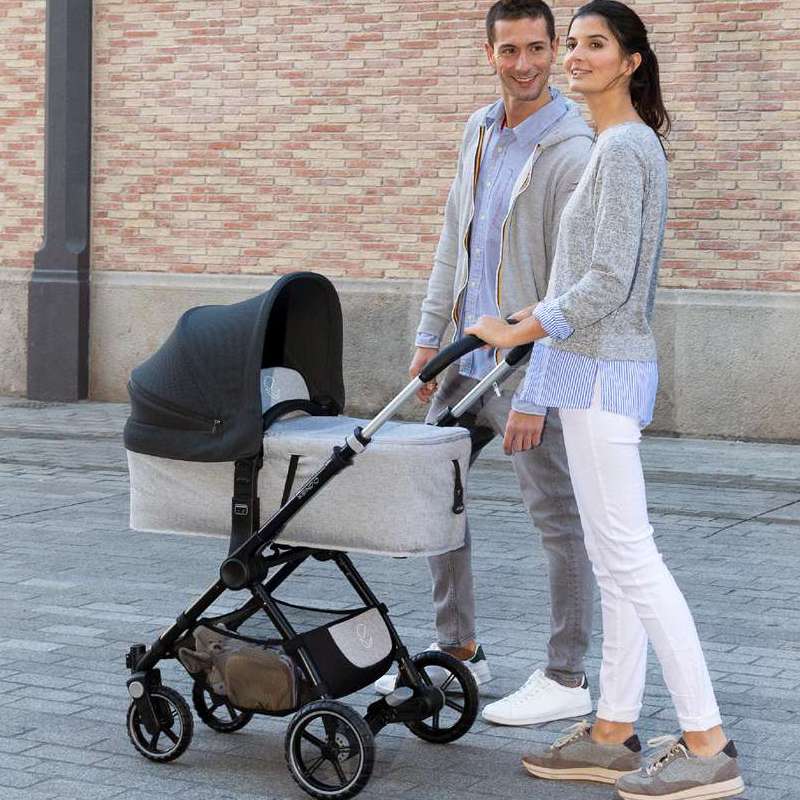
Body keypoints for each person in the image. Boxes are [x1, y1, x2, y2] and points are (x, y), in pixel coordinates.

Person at [465, 2, 745, 797]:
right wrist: (537, 317)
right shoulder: (615, 143)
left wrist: (518, 328)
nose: (577, 56)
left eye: (596, 44)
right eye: (576, 44)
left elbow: (608, 282)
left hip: (601, 371)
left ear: (631, 61)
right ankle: (613, 732)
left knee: (632, 558)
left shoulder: (623, 148)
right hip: (588, 369)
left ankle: (707, 742)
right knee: (613, 560)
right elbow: (588, 278)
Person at [374, 0, 598, 727]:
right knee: (436, 496)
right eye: (510, 50)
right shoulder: (478, 131)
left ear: (554, 51)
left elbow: (570, 284)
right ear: (490, 53)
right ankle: (459, 648)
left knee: (557, 519)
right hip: (467, 360)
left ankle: (566, 672)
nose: (524, 64)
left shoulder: (574, 151)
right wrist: (428, 338)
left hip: (530, 367)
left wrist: (537, 392)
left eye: (536, 48)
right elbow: (455, 241)